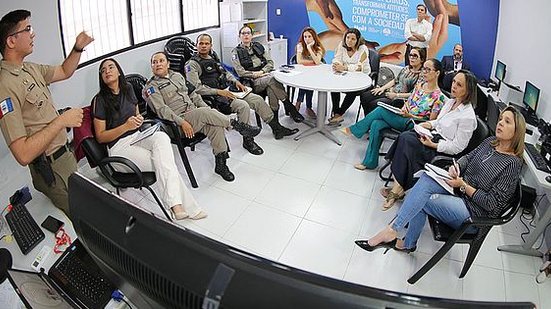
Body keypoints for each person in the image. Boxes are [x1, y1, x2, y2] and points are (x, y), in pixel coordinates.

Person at [355, 106, 525, 254]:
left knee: (422, 198)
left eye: (507, 121)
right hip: (460, 190)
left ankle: (397, 235)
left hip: (475, 212)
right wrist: (456, 165)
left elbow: (491, 204)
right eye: (501, 119)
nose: (500, 122)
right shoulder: (490, 142)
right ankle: (399, 235)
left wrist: (464, 186)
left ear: (517, 132)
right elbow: (468, 157)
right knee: (426, 179)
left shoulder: (512, 164)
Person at [0, 10, 93, 215]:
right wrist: (61, 121)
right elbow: (23, 154)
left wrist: (78, 48)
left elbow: (64, 71)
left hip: (65, 156)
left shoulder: (30, 69)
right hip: (51, 169)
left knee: (85, 209)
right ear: (11, 41)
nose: (33, 34)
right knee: (81, 218)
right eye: (27, 29)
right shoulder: (5, 85)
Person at [93, 58, 206, 220]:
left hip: (137, 135)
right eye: (103, 71)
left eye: (111, 67)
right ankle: (181, 207)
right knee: (163, 163)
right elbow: (101, 137)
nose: (107, 71)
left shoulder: (128, 89)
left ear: (118, 71)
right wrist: (125, 126)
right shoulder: (100, 100)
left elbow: (136, 113)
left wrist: (138, 119)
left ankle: (177, 206)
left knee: (161, 137)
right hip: (119, 147)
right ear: (102, 77)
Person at [145, 51, 260, 182]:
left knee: (215, 125)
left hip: (195, 116)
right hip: (178, 124)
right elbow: (162, 110)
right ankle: (236, 125)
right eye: (154, 62)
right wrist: (182, 122)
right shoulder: (151, 87)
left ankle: (221, 164)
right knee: (205, 112)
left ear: (168, 63)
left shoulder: (177, 76)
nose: (158, 64)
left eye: (161, 61)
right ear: (151, 66)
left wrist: (205, 107)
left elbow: (194, 95)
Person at [381, 70, 478, 210]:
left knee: (407, 142)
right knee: (406, 136)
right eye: (454, 82)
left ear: (468, 90)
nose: (454, 86)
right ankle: (399, 187)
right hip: (434, 135)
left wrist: (434, 145)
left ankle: (397, 189)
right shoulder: (451, 102)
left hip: (443, 150)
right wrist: (428, 124)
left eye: (459, 84)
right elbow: (439, 122)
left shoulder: (468, 117)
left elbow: (458, 147)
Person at [186, 33, 297, 145]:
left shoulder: (213, 57)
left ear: (211, 45)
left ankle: (277, 128)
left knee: (257, 100)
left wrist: (236, 81)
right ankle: (248, 140)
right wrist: (219, 92)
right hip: (215, 97)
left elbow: (225, 72)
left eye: (206, 43)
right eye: (201, 43)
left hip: (228, 90)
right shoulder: (192, 64)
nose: (204, 46)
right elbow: (196, 88)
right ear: (196, 45)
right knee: (243, 106)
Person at [341, 58, 446, 170]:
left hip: (414, 124)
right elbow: (410, 101)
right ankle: (369, 162)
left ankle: (355, 129)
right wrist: (404, 108)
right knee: (376, 124)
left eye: (428, 70)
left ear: (437, 73)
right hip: (403, 116)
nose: (424, 72)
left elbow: (430, 122)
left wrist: (410, 116)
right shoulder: (420, 85)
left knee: (380, 110)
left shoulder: (439, 97)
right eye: (423, 69)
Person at [231, 25, 304, 123]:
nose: (246, 35)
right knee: (273, 79)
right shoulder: (235, 52)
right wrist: (255, 74)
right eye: (243, 33)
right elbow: (240, 72)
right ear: (239, 36)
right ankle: (289, 105)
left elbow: (270, 63)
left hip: (264, 75)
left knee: (272, 88)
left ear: (251, 35)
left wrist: (263, 72)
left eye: (248, 33)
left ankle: (276, 122)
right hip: (251, 81)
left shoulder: (259, 47)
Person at [359, 47, 426, 117]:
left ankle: (370, 119)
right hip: (390, 92)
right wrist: (382, 88)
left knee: (374, 103)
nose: (411, 57)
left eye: (415, 56)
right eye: (410, 55)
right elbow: (395, 80)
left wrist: (396, 95)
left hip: (400, 99)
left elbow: (414, 94)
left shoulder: (422, 76)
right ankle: (367, 117)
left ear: (421, 59)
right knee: (365, 96)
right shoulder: (406, 68)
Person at [329, 28, 371, 125]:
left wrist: (344, 68)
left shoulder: (363, 49)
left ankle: (339, 113)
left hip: (361, 77)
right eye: (348, 38)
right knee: (333, 87)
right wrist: (337, 65)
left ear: (358, 40)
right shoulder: (341, 45)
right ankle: (336, 112)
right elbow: (337, 58)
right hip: (346, 75)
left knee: (352, 90)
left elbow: (359, 67)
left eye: (353, 39)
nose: (349, 41)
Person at [294, 27, 325, 119]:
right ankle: (307, 106)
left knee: (308, 83)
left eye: (309, 36)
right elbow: (299, 61)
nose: (307, 39)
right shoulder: (300, 45)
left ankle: (299, 103)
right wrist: (313, 62)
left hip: (316, 73)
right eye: (305, 37)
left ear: (314, 37)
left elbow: (318, 61)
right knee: (305, 82)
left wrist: (309, 48)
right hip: (303, 72)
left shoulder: (318, 47)